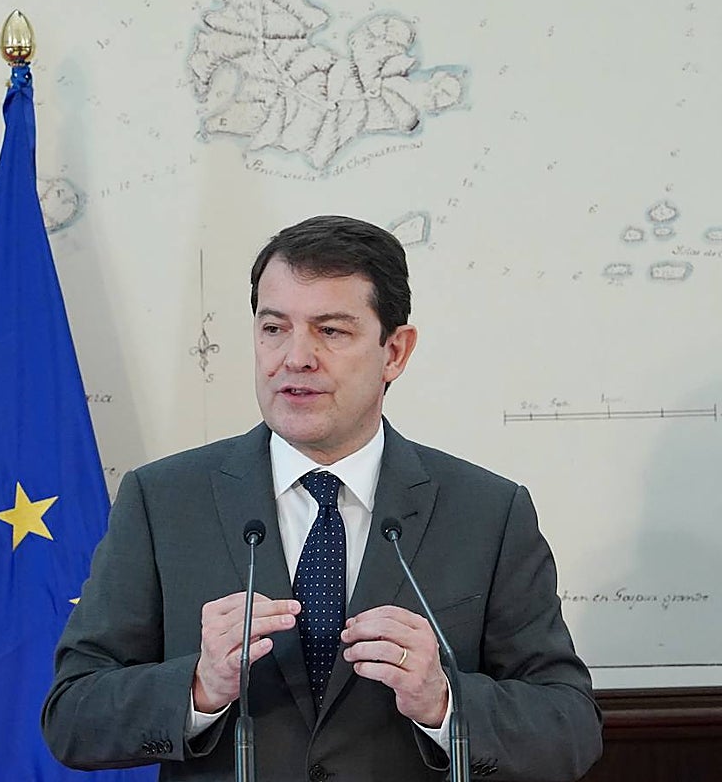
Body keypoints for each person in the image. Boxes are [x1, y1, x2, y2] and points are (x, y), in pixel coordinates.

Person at [41, 215, 602, 781]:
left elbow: (570, 729)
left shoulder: (488, 513)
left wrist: (443, 701)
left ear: (395, 351)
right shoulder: (162, 501)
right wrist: (199, 686)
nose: (296, 357)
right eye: (274, 328)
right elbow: (71, 717)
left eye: (330, 331)